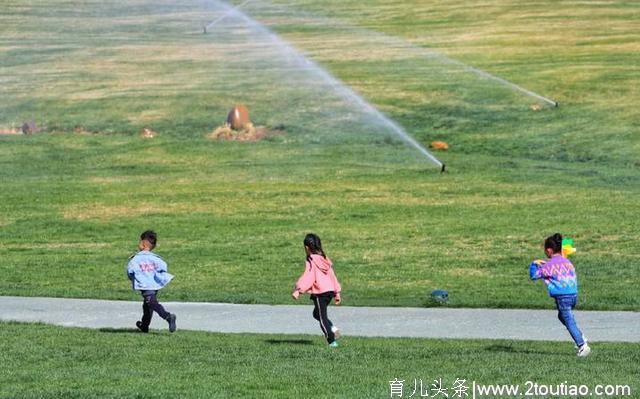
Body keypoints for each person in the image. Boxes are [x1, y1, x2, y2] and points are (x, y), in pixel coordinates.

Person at [530, 233, 590, 356]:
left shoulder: (549, 265)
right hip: (573, 295)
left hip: (562, 297)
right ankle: (580, 336)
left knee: (568, 320)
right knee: (563, 317)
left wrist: (534, 264)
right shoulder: (567, 262)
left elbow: (534, 276)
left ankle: (582, 345)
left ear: (549, 250)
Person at [292, 233, 342, 347]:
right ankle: (333, 329)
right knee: (317, 313)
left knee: (322, 317)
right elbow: (332, 275)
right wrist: (337, 292)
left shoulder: (312, 260)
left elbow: (308, 276)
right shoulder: (324, 259)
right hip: (329, 292)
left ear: (306, 248)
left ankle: (332, 341)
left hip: (320, 293)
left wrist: (298, 290)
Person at [127, 230, 177, 333]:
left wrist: (133, 278)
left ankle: (168, 316)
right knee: (147, 305)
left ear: (143, 243)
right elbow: (163, 267)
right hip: (155, 285)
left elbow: (130, 271)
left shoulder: (136, 259)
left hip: (145, 286)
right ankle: (144, 326)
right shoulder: (156, 258)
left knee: (152, 303)